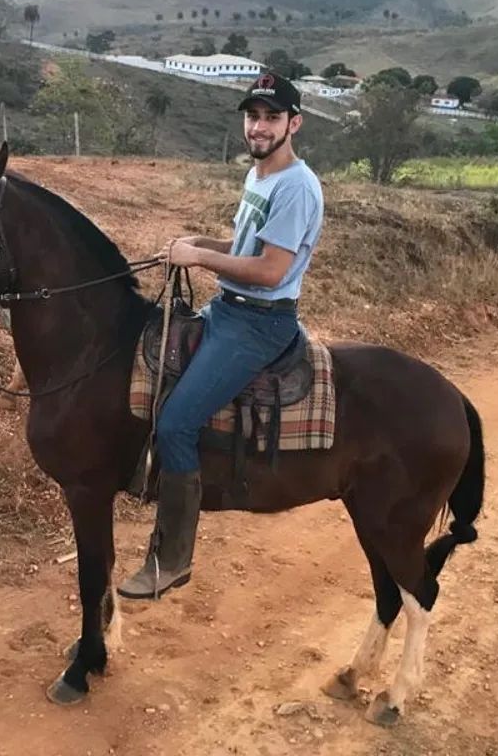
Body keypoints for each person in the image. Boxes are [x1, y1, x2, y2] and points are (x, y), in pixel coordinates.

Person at [118, 72, 324, 600]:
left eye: (271, 117)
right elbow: (244, 245)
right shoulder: (260, 176)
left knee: (179, 422)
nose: (259, 126)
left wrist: (202, 258)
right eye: (253, 116)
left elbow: (271, 270)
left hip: (260, 322)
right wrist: (199, 241)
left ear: (293, 123)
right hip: (228, 308)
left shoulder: (297, 186)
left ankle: (172, 560)